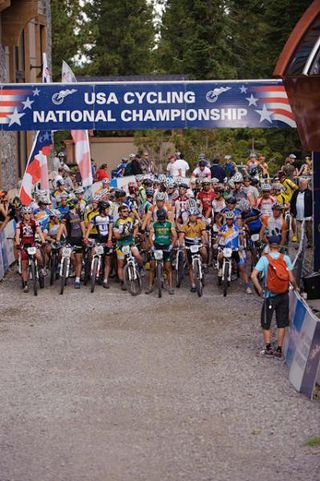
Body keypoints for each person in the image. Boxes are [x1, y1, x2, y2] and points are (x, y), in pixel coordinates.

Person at [251, 235, 299, 358]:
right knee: (281, 323)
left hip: (269, 295)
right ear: (279, 245)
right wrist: (296, 287)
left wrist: (260, 289)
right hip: (283, 294)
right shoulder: (286, 258)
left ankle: (268, 348)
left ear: (269, 245)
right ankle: (279, 349)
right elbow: (291, 278)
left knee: (266, 322)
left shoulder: (264, 259)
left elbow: (253, 275)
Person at [218, 211, 252, 294]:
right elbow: (218, 237)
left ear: (233, 220)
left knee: (242, 268)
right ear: (226, 220)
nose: (229, 221)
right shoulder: (222, 228)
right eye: (228, 219)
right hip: (225, 249)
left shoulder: (238, 228)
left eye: (230, 219)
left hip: (236, 250)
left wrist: (242, 245)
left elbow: (241, 238)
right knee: (219, 257)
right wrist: (216, 243)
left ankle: (247, 286)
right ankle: (220, 269)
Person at [145, 208, 177, 295]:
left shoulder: (170, 224)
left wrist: (172, 245)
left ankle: (170, 287)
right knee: (152, 267)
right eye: (160, 218)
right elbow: (150, 236)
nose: (162, 220)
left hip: (167, 247)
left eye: (163, 218)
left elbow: (174, 235)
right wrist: (151, 246)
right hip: (156, 246)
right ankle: (150, 286)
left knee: (168, 268)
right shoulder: (154, 224)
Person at [56, 199, 86, 289]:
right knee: (71, 257)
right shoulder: (66, 215)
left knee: (78, 259)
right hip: (70, 240)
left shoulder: (79, 213)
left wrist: (84, 236)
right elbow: (61, 227)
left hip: (79, 240)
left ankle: (77, 279)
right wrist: (57, 238)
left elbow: (82, 225)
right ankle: (69, 269)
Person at [15, 206, 46, 293]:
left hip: (32, 243)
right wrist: (17, 243)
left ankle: (41, 268)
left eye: (29, 213)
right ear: (22, 214)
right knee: (24, 266)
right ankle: (25, 284)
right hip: (24, 245)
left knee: (38, 255)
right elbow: (17, 235)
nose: (27, 215)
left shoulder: (34, 222)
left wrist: (43, 241)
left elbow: (39, 232)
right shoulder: (19, 224)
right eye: (25, 214)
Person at [113, 204, 143, 290]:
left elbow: (136, 227)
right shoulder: (117, 223)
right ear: (119, 213)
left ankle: (141, 268)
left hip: (130, 242)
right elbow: (117, 236)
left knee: (138, 256)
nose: (126, 213)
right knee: (120, 264)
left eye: (127, 211)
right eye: (124, 211)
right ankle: (122, 281)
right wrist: (125, 233)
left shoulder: (131, 219)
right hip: (120, 244)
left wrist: (133, 235)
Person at [85, 200, 114, 288]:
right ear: (102, 209)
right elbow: (89, 228)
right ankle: (89, 273)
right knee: (92, 254)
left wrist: (109, 240)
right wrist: (86, 238)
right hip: (98, 239)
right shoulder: (95, 218)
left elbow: (110, 230)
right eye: (107, 209)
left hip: (107, 240)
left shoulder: (110, 217)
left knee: (107, 260)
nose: (108, 210)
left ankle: (105, 280)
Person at [179, 208, 208, 292]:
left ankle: (204, 264)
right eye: (191, 215)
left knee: (204, 251)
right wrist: (181, 244)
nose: (192, 217)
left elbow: (204, 233)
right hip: (189, 246)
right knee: (190, 266)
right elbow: (181, 236)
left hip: (198, 244)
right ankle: (193, 284)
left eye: (194, 215)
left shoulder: (200, 224)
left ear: (196, 216)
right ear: (189, 216)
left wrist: (205, 241)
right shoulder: (184, 226)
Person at [290, 177, 312, 247]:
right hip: (298, 215)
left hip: (307, 216)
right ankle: (300, 245)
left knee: (309, 231)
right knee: (299, 231)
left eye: (304, 184)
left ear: (306, 185)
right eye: (301, 184)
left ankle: (310, 242)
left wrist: (312, 214)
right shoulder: (296, 192)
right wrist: (292, 211)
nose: (302, 186)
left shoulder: (310, 193)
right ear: (299, 184)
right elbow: (292, 202)